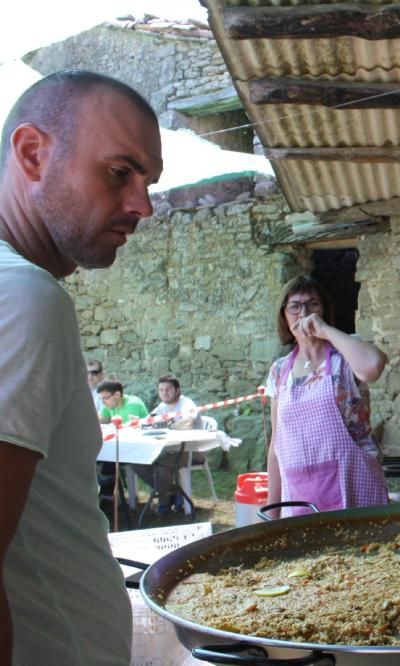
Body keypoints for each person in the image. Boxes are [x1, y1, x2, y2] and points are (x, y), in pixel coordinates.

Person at [0, 70, 162, 663]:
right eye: (120, 172)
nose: (142, 205)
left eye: (148, 181)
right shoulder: (22, 296)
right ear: (33, 154)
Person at [265, 275, 389, 516]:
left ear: (323, 311)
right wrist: (272, 514)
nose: (304, 312)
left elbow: (373, 366)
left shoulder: (344, 355)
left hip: (354, 487)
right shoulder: (279, 371)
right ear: (283, 315)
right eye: (295, 306)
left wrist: (325, 331)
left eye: (313, 304)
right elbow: (276, 445)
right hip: (300, 495)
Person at [134, 374, 203, 514]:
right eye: (161, 390)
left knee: (161, 466)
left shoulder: (186, 403)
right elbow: (149, 421)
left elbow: (188, 422)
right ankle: (174, 491)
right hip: (167, 449)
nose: (164, 393)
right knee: (136, 461)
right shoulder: (162, 407)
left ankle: (164, 502)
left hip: (191, 450)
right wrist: (139, 422)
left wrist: (169, 425)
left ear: (177, 390)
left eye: (168, 389)